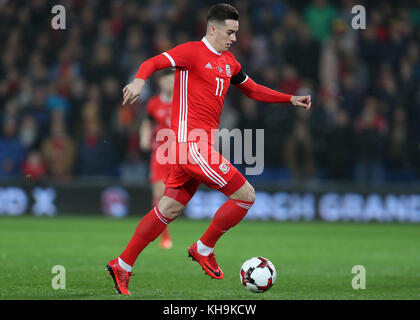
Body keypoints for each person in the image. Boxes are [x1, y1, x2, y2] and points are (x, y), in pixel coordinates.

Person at [107, 3, 311, 295]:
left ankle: (122, 265)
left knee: (168, 208)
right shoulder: (191, 52)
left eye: (237, 33)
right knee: (245, 196)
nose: (235, 38)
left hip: (192, 149)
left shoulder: (229, 62)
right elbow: (152, 63)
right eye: (230, 32)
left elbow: (252, 88)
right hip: (190, 145)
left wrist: (289, 99)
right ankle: (203, 248)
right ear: (212, 28)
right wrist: (139, 81)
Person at [139, 70, 174, 249]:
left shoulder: (183, 101)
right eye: (167, 80)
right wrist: (144, 137)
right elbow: (147, 122)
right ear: (161, 82)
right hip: (160, 153)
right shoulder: (153, 103)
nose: (171, 83)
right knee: (159, 194)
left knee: (174, 196)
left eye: (173, 80)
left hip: (181, 153)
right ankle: (164, 236)